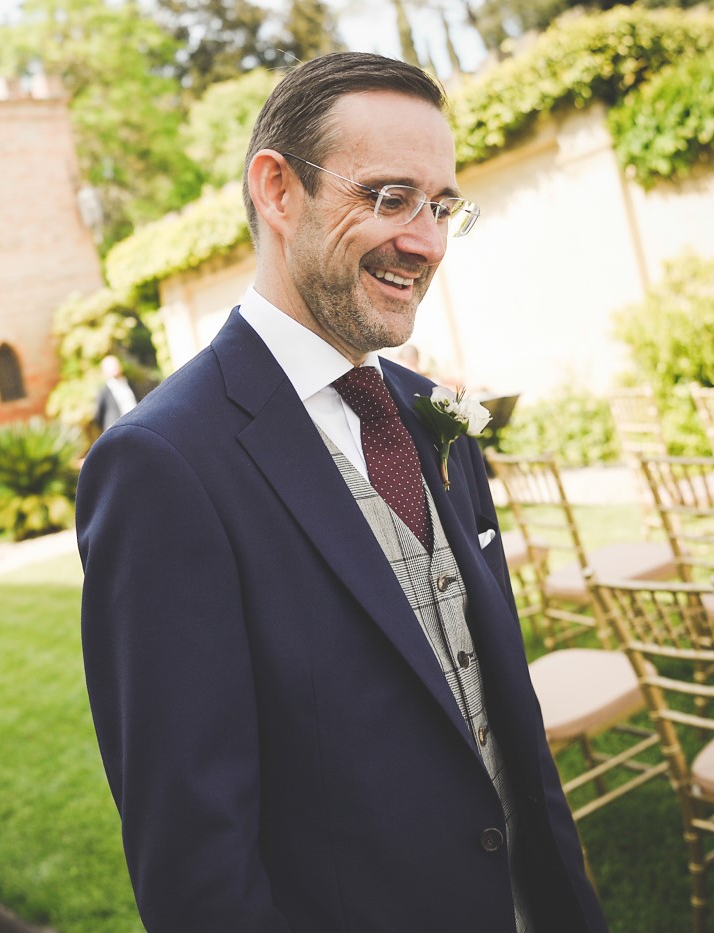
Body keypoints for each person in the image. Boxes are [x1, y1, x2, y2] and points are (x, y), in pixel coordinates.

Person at [77, 52, 606, 933]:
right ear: (278, 191)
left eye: (441, 207)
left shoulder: (428, 411)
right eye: (390, 197)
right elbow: (196, 873)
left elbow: (504, 723)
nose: (428, 242)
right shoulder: (160, 465)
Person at [92, 354, 138, 433]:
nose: (114, 368)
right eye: (110, 366)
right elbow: (98, 416)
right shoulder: (103, 391)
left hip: (136, 426)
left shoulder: (130, 383)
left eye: (116, 365)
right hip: (117, 432)